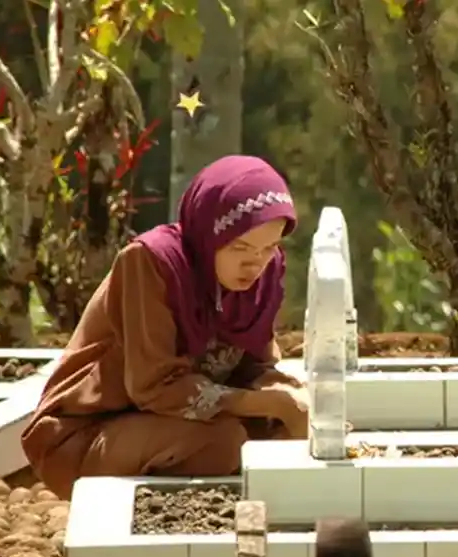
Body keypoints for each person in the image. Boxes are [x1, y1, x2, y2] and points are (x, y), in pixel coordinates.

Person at [22, 155, 311, 499]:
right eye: (240, 247)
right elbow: (153, 385)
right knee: (226, 441)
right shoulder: (152, 264)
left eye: (269, 248)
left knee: (283, 429)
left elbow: (255, 366)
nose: (255, 263)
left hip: (180, 422)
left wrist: (291, 397)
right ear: (208, 234)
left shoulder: (262, 275)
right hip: (91, 431)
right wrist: (265, 404)